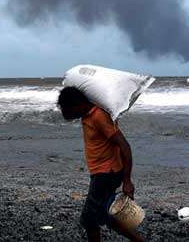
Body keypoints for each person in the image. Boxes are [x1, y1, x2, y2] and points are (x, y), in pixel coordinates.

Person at [58, 87, 144, 242]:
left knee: (89, 219)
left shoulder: (99, 116)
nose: (65, 114)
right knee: (106, 215)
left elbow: (125, 146)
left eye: (66, 109)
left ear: (77, 105)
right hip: (101, 173)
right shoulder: (86, 115)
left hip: (106, 174)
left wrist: (127, 181)